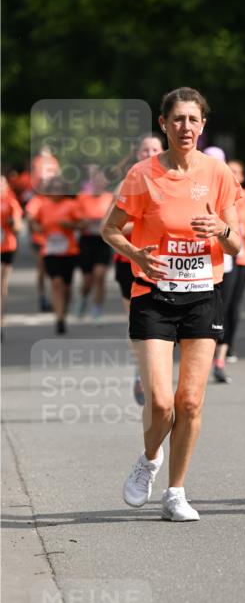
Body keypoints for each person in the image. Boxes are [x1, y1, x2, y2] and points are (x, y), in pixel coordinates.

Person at [102, 87, 241, 522]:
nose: (186, 127)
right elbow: (111, 229)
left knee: (190, 402)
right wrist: (137, 254)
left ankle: (176, 492)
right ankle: (148, 460)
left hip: (203, 295)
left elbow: (238, 243)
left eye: (193, 120)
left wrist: (220, 228)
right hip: (154, 296)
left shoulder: (218, 174)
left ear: (203, 125)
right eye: (177, 119)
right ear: (163, 124)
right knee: (161, 402)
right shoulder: (143, 175)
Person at [113, 134, 165, 404]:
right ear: (137, 153)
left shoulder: (172, 181)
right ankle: (140, 373)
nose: (150, 153)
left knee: (166, 325)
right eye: (145, 149)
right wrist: (147, 223)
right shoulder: (128, 183)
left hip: (166, 264)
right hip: (129, 263)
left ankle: (154, 371)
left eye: (155, 149)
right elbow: (111, 227)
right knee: (139, 323)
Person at [211, 158, 245, 381]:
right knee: (218, 305)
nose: (233, 175)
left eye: (236, 172)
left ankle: (224, 349)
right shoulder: (218, 194)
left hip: (242, 260)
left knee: (233, 306)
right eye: (229, 171)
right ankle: (215, 347)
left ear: (242, 177)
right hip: (219, 259)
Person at [29, 177, 80, 334]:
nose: (57, 192)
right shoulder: (43, 205)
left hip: (68, 251)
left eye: (60, 188)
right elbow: (32, 221)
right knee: (56, 282)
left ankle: (63, 310)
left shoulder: (71, 205)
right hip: (50, 250)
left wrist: (70, 225)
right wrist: (37, 227)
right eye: (54, 188)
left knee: (66, 285)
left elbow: (83, 223)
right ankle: (59, 318)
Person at [75, 165, 114, 319]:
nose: (98, 184)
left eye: (101, 181)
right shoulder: (82, 197)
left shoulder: (110, 198)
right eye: (95, 181)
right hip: (86, 241)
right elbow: (76, 220)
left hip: (103, 241)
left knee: (100, 275)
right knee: (87, 280)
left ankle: (97, 307)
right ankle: (84, 298)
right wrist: (85, 222)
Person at [1, 174, 23, 337]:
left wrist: (11, 223)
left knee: (1, 286)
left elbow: (18, 228)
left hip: (6, 246)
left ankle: (1, 319)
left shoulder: (11, 202)